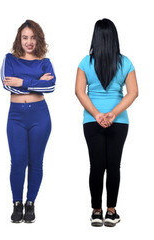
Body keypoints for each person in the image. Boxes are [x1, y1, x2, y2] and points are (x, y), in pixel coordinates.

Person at [75, 18, 137, 227]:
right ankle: (111, 212)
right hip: (119, 122)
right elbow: (133, 92)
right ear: (114, 38)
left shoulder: (86, 62)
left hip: (91, 121)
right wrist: (112, 113)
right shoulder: (125, 62)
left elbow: (79, 92)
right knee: (113, 166)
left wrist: (97, 114)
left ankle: (96, 211)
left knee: (96, 165)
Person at [0, 20, 55, 223]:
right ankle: (17, 203)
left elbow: (50, 87)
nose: (29, 42)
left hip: (40, 115)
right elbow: (8, 86)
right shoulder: (10, 59)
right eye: (25, 37)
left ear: (38, 39)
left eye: (33, 37)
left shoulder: (44, 62)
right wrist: (37, 83)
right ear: (19, 39)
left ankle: (30, 203)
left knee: (36, 161)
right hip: (16, 116)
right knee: (18, 161)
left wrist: (23, 81)